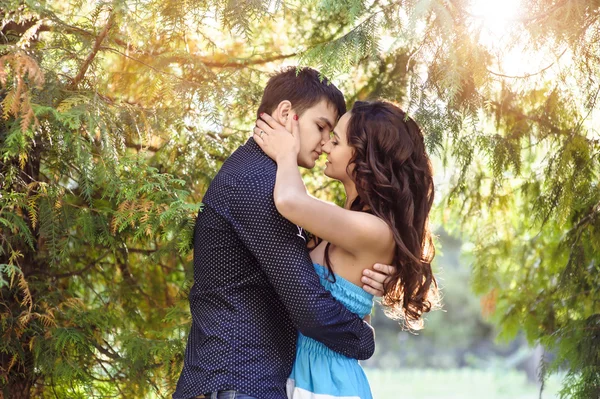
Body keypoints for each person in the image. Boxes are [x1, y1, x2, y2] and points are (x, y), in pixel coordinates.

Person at [173, 68, 396, 399]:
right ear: (286, 114)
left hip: (242, 380)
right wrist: (363, 338)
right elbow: (309, 307)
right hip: (239, 380)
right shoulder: (257, 184)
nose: (325, 143)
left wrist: (362, 284)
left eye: (332, 134)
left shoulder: (269, 179)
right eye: (321, 127)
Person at [253, 100, 440, 399]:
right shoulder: (342, 223)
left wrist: (286, 152)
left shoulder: (374, 230)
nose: (325, 145)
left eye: (336, 140)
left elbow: (289, 201)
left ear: (364, 158)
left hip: (327, 384)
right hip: (300, 374)